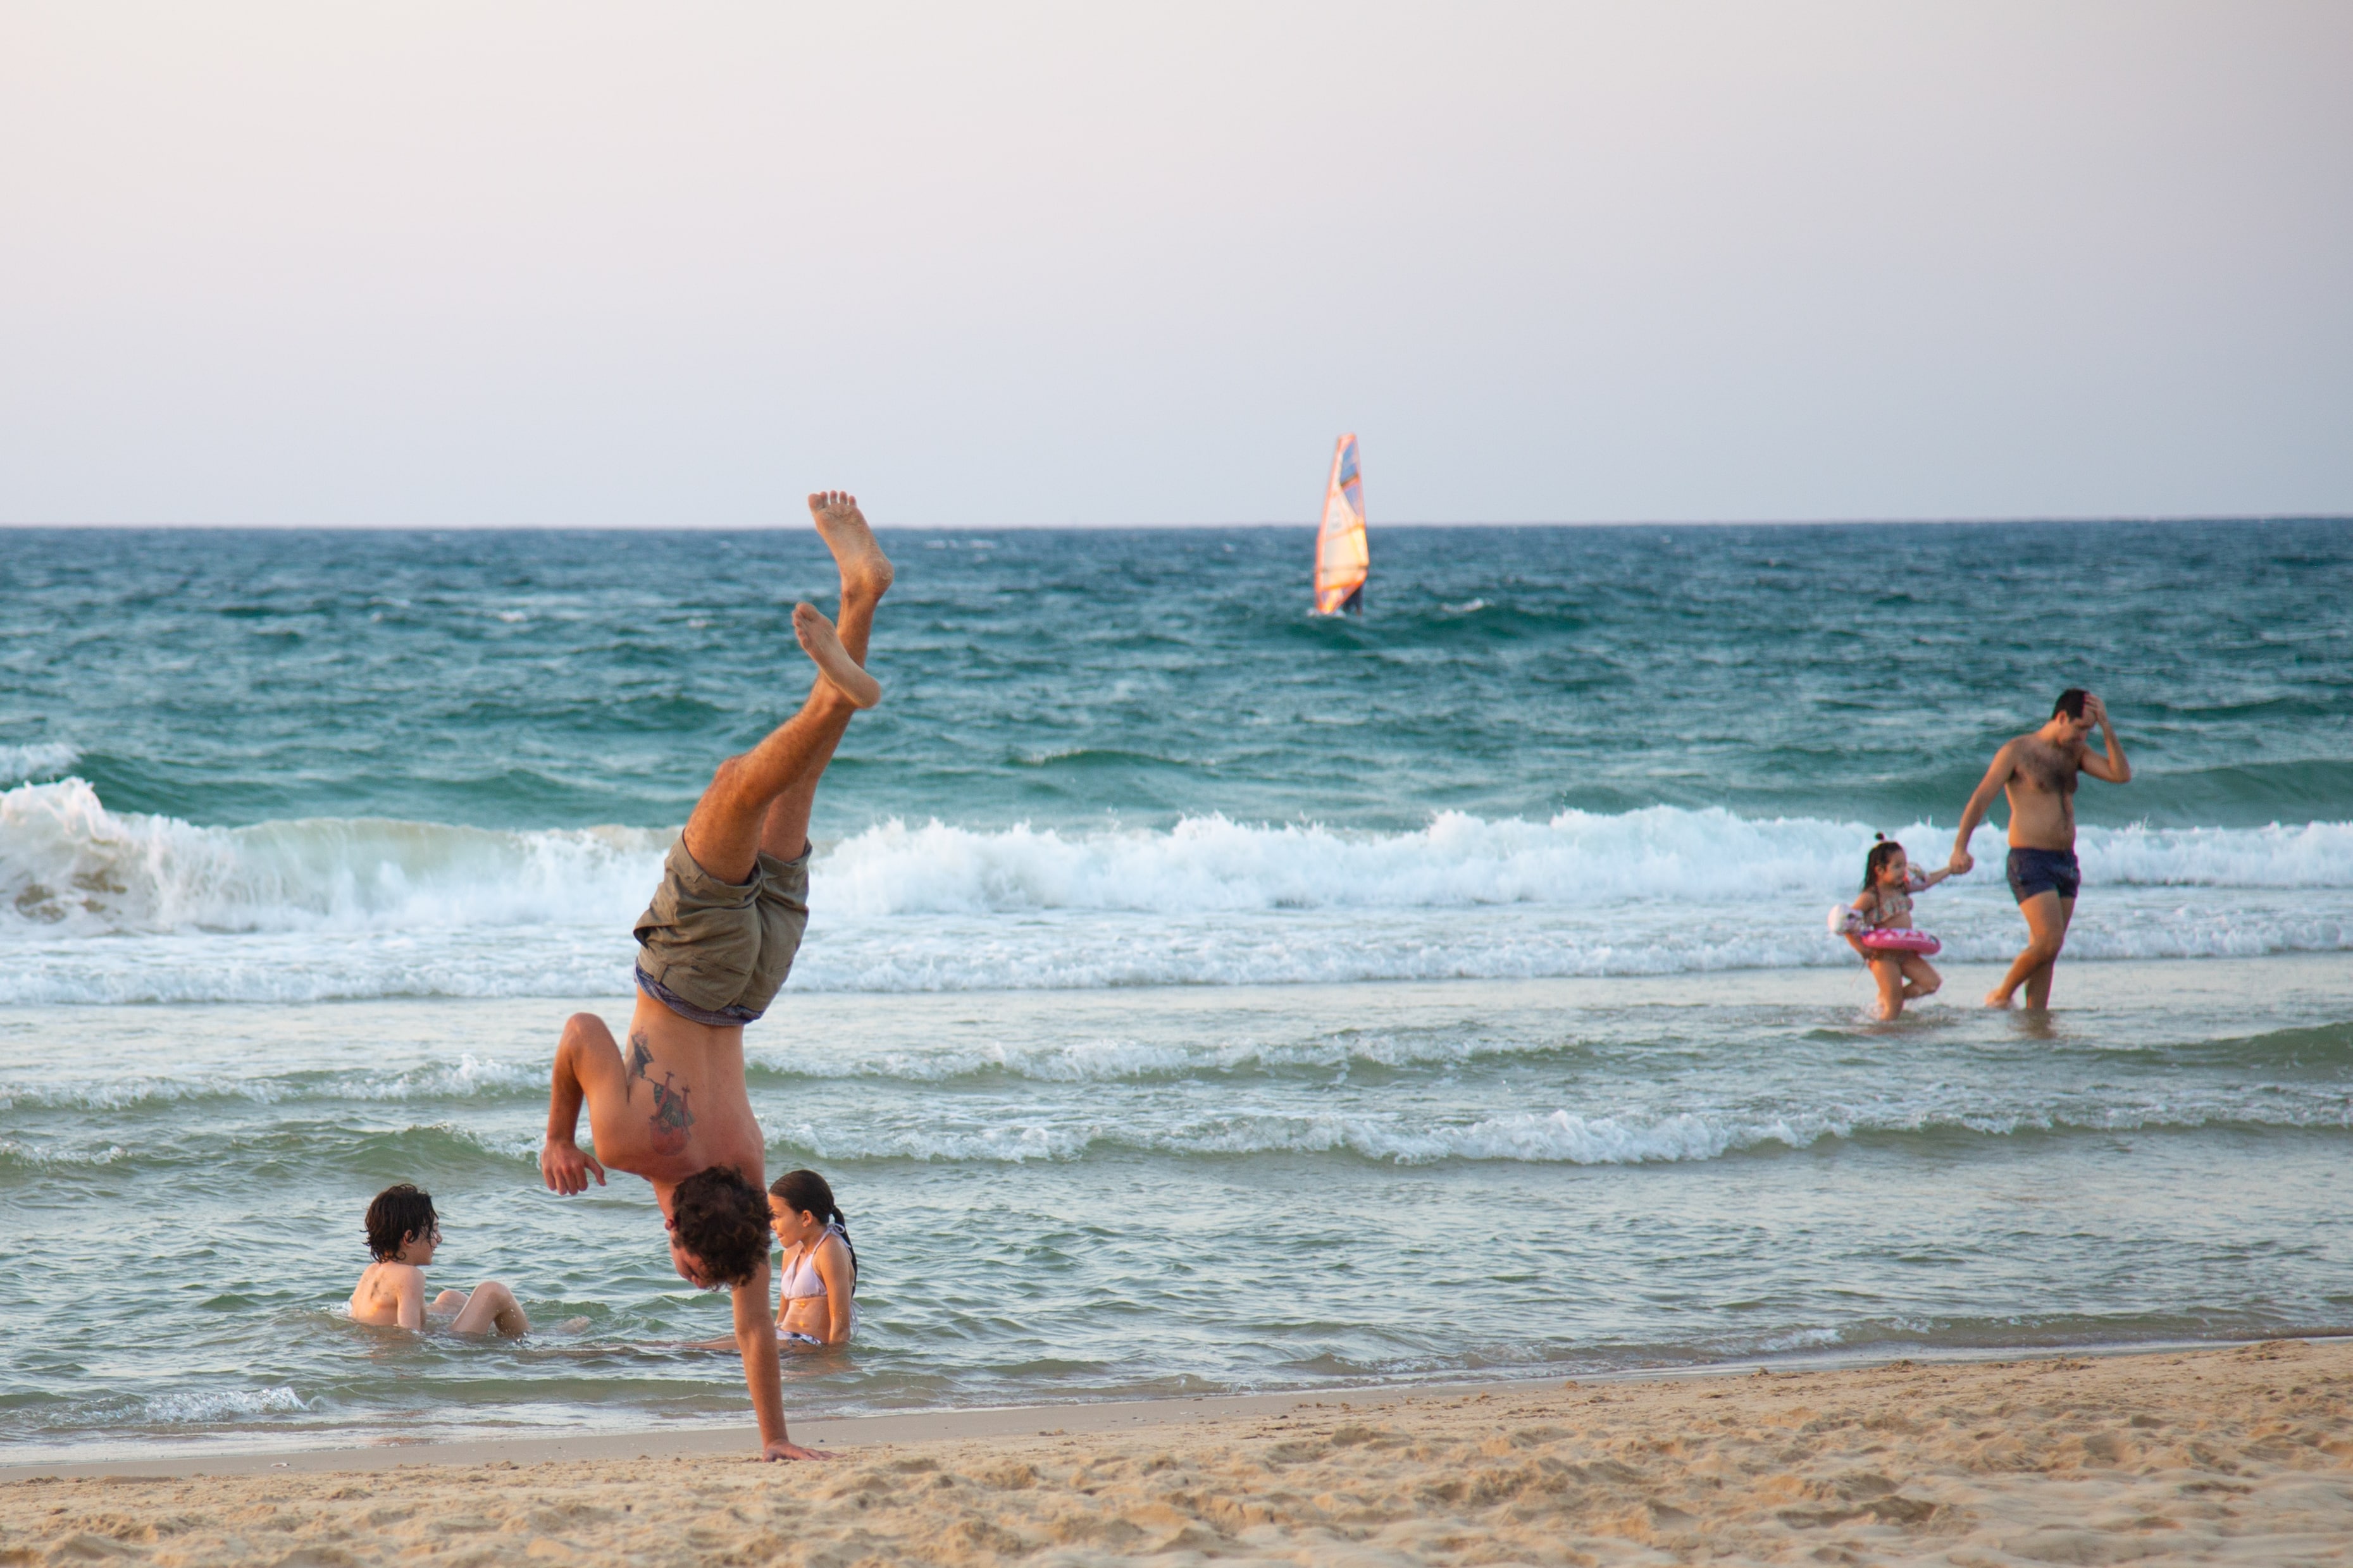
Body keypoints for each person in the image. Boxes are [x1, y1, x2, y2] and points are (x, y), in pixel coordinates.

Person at [538, 491, 891, 1462]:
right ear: (680, 1223)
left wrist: (776, 1438)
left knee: (798, 782)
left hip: (759, 979)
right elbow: (577, 1029)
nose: (691, 1273)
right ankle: (831, 689)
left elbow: (751, 1329)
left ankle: (860, 595)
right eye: (692, 1268)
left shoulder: (744, 1182)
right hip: (691, 964)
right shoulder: (633, 1138)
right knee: (741, 779)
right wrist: (559, 1136)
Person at [1949, 688, 2131, 1009]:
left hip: (2066, 862)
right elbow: (1980, 798)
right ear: (2061, 718)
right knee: (2049, 941)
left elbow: (2120, 775)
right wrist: (1960, 847)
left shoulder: (2075, 753)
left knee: (2048, 949)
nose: (2082, 736)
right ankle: (2001, 995)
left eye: (2089, 730)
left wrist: (2106, 728)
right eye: (2079, 728)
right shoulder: (2018, 751)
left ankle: (2036, 1018)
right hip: (2030, 859)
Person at [347, 1183, 530, 1336]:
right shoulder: (409, 1275)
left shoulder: (373, 1271)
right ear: (409, 1237)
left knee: (451, 1298)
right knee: (492, 1292)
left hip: (379, 1343)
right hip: (444, 1347)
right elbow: (409, 1338)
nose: (439, 1238)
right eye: (434, 1230)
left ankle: (495, 1330)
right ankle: (533, 1345)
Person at [1837, 834, 1950, 1020]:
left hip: (1905, 953)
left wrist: (1951, 870)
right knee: (1894, 1008)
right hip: (1883, 956)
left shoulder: (1902, 888)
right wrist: (1861, 949)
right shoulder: (1871, 896)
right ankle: (1882, 1041)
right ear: (1880, 870)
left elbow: (1927, 882)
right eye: (1897, 867)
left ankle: (1887, 998)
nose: (1903, 871)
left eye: (1904, 865)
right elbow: (1846, 923)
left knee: (1931, 983)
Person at [771, 1169, 858, 1350]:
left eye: (777, 1216)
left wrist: (834, 1367)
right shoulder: (791, 1253)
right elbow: (781, 1318)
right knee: (718, 1344)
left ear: (806, 1218)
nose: (772, 1224)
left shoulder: (829, 1249)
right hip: (786, 1340)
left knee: (720, 1349)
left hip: (810, 1346)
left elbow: (841, 1327)